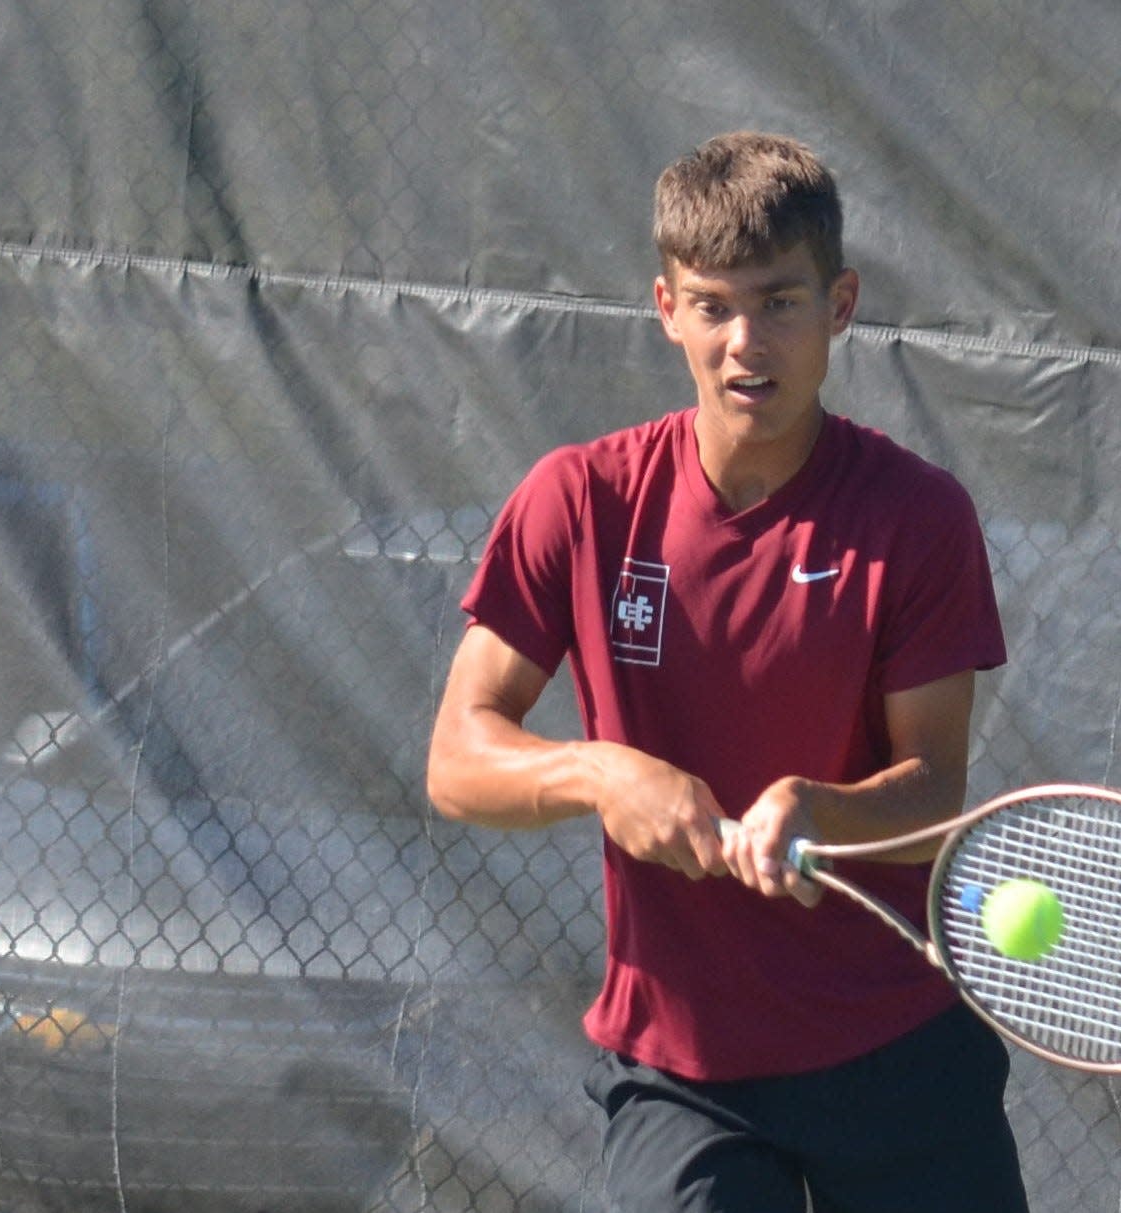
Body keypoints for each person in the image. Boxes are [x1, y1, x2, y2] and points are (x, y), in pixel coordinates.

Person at [426, 131, 1027, 1213]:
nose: (745, 342)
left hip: (896, 1046)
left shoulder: (918, 517)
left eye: (779, 302)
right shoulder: (580, 499)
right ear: (666, 308)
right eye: (712, 305)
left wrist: (820, 809)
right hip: (683, 1074)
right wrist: (602, 773)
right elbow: (460, 756)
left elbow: (934, 788)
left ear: (839, 305)